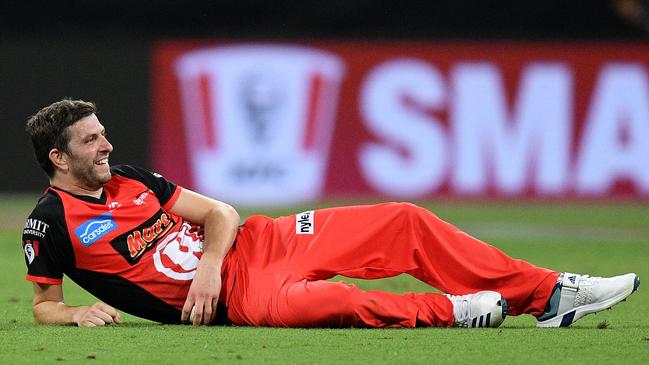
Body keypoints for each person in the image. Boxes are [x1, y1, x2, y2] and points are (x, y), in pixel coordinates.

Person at [22, 99, 639, 329]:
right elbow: (43, 304)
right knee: (325, 304)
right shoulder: (49, 222)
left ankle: (549, 292)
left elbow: (220, 213)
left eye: (104, 134)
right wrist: (74, 312)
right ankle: (456, 310)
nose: (106, 147)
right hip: (239, 303)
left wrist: (209, 265)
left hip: (258, 246)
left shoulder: (132, 178)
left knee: (402, 219)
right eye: (91, 141)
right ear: (58, 156)